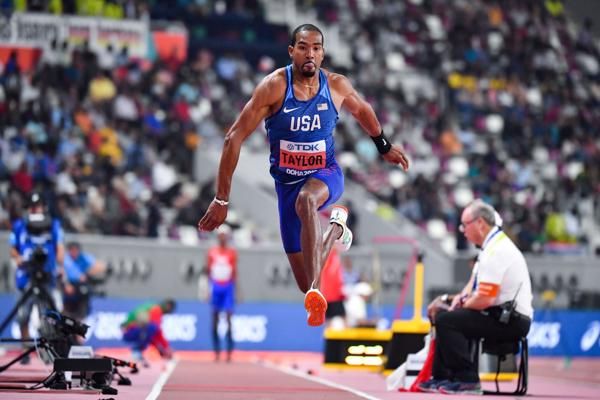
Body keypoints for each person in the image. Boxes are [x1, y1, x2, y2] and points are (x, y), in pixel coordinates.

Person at [198, 23, 409, 327]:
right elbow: (233, 138)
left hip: (326, 174)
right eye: (303, 47)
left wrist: (383, 145)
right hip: (286, 184)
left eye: (316, 48)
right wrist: (221, 199)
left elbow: (362, 111)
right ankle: (336, 229)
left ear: (323, 54)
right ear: (291, 51)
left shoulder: (335, 85)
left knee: (307, 201)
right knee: (304, 279)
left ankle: (315, 290)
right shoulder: (273, 87)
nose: (310, 53)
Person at [418, 199, 533, 395]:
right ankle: (443, 376)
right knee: (447, 316)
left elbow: (485, 299)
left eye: (465, 224)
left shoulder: (497, 250)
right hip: (501, 315)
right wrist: (451, 301)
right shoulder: (491, 248)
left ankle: (467, 379)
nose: (462, 230)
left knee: (449, 320)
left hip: (511, 321)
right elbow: (473, 292)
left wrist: (458, 307)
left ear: (480, 223)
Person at [8, 192, 65, 364]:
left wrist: (60, 266)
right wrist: (17, 258)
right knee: (23, 315)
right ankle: (25, 349)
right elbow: (13, 247)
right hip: (26, 276)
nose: (35, 209)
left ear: (44, 207)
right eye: (32, 206)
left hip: (46, 275)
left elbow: (59, 247)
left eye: (38, 205)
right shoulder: (19, 225)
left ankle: (47, 350)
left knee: (47, 315)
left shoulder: (54, 225)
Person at [205, 225, 238, 362]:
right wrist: (206, 289)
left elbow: (235, 272)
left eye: (225, 235)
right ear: (218, 237)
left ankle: (229, 352)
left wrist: (236, 291)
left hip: (228, 287)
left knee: (229, 320)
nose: (223, 238)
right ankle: (217, 351)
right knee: (215, 320)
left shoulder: (232, 253)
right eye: (221, 235)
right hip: (216, 286)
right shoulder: (212, 252)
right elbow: (207, 272)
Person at [62, 241, 106, 325]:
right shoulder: (65, 259)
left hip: (80, 289)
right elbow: (62, 271)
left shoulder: (84, 258)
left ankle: (79, 323)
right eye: (72, 250)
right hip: (67, 288)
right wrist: (67, 284)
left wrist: (87, 273)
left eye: (76, 250)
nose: (74, 252)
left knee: (84, 293)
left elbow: (100, 266)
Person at [120, 299, 176, 365]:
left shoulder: (152, 307)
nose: (170, 312)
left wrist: (164, 348)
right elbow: (156, 332)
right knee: (151, 329)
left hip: (130, 331)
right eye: (171, 309)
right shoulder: (156, 309)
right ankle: (136, 350)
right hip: (130, 331)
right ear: (168, 306)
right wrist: (164, 348)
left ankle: (137, 351)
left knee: (150, 331)